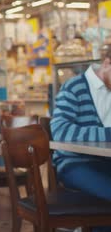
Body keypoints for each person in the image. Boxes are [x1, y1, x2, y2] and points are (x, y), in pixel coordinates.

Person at [50, 44, 111, 204]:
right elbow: (60, 132)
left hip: (105, 162)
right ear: (107, 63)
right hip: (74, 163)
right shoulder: (74, 87)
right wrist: (108, 134)